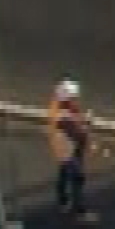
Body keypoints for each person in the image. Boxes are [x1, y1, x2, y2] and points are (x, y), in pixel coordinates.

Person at [47, 79, 93, 217]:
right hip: (68, 149)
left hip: (68, 148)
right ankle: (79, 210)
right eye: (73, 98)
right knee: (78, 177)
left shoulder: (66, 111)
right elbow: (77, 132)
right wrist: (86, 125)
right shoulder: (63, 116)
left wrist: (84, 120)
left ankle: (63, 201)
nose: (76, 100)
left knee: (64, 174)